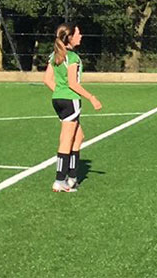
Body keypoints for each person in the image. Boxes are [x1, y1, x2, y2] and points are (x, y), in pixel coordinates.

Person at [41, 23, 102, 193]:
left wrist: (60, 92)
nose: (80, 36)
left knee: (78, 136)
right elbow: (73, 83)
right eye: (78, 33)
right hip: (71, 101)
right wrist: (92, 97)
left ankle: (72, 178)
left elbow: (47, 79)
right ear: (69, 38)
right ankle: (60, 180)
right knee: (66, 140)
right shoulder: (72, 58)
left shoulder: (55, 56)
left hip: (58, 100)